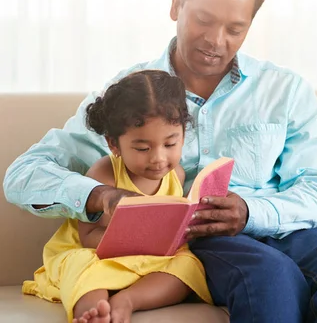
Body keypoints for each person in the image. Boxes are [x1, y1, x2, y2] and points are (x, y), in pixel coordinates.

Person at [4, 0, 317, 322]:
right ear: (177, 5)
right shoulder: (130, 97)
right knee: (271, 277)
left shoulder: (285, 90)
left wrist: (249, 212)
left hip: (279, 227)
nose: (216, 40)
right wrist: (98, 196)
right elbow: (23, 175)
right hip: (202, 243)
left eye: (235, 28)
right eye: (204, 20)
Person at [22, 70, 213, 323]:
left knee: (187, 266)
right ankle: (94, 312)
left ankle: (128, 300)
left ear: (183, 137)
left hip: (151, 260)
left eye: (170, 144)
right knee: (84, 268)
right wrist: (137, 239)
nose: (158, 158)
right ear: (114, 144)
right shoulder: (105, 174)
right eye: (142, 148)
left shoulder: (175, 175)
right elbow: (87, 237)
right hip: (100, 256)